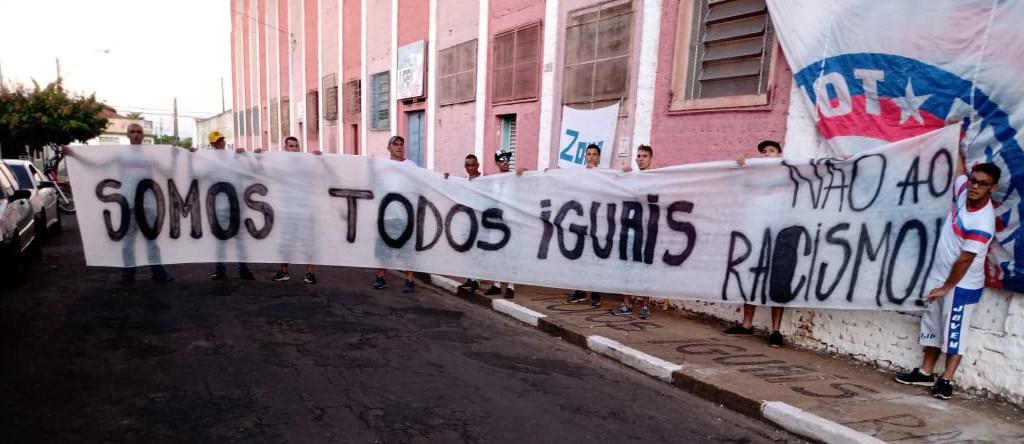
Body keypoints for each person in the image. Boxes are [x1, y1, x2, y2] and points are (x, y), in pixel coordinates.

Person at [896, 160, 999, 400]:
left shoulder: (983, 222)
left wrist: (946, 287)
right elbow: (959, 171)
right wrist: (953, 132)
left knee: (954, 333)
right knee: (932, 326)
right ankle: (925, 372)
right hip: (940, 277)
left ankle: (947, 379)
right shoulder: (964, 191)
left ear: (992, 188)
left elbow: (965, 260)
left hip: (961, 285)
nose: (974, 186)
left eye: (982, 184)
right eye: (974, 180)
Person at [723, 140, 786, 347]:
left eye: (772, 151)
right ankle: (747, 324)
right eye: (764, 152)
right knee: (752, 278)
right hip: (756, 233)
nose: (767, 154)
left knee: (778, 282)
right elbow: (739, 185)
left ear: (779, 154)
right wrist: (742, 167)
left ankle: (776, 330)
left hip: (780, 235)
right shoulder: (756, 175)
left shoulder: (789, 171)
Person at [120, 123, 174, 284]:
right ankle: (128, 275)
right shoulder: (121, 155)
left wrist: (180, 156)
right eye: (133, 132)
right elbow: (96, 164)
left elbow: (167, 172)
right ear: (127, 135)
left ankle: (158, 273)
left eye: (139, 132)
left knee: (152, 241)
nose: (136, 134)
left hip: (148, 206)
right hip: (128, 205)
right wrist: (73, 154)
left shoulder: (150, 156)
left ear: (143, 135)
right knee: (127, 243)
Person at [208, 130, 256, 281]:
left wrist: (248, 156)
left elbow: (248, 172)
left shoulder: (233, 158)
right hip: (219, 207)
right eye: (217, 142)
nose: (221, 143)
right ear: (213, 145)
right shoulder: (210, 161)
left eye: (222, 140)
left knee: (240, 239)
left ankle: (244, 270)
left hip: (235, 205)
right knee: (221, 240)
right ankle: (220, 271)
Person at [271, 136, 320, 284]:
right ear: (285, 148)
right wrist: (259, 154)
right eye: (291, 146)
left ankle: (310, 273)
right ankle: (284, 271)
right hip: (287, 211)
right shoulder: (280, 165)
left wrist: (319, 159)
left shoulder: (306, 164)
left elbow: (319, 175)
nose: (294, 149)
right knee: (286, 242)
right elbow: (263, 170)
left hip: (305, 211)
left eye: (296, 146)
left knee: (307, 243)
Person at [373, 135, 418, 293]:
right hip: (386, 214)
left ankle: (410, 280)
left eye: (401, 144)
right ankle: (381, 277)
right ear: (389, 147)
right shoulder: (381, 166)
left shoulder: (411, 166)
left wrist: (444, 178)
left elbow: (426, 180)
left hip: (406, 214)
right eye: (395, 144)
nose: (399, 147)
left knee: (407, 249)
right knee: (383, 248)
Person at [618, 145, 655, 318]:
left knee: (645, 269)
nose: (640, 159)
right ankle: (626, 302)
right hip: (629, 229)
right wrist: (621, 175)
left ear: (650, 158)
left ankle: (645, 305)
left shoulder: (656, 178)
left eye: (644, 156)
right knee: (626, 267)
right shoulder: (630, 177)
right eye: (638, 156)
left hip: (647, 230)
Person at [566, 144, 604, 307]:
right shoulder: (579, 174)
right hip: (581, 222)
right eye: (588, 154)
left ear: (599, 157)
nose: (591, 157)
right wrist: (549, 173)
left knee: (594, 258)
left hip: (597, 222)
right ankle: (579, 291)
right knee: (579, 257)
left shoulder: (604, 175)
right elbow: (563, 178)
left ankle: (595, 293)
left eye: (594, 154)